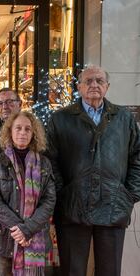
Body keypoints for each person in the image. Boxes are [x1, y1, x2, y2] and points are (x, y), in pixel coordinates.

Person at [46, 65, 140, 276]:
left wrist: (128, 194)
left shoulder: (123, 118)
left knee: (110, 271)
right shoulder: (60, 119)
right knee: (72, 270)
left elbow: (137, 157)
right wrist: (64, 193)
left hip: (113, 206)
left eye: (99, 80)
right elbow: (49, 160)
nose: (94, 85)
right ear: (79, 86)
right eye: (88, 81)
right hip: (72, 207)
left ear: (107, 86)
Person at [0, 111, 56, 276]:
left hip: (34, 235)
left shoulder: (44, 163)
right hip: (4, 237)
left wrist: (28, 229)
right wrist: (20, 230)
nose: (22, 132)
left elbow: (49, 200)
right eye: (18, 128)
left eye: (27, 129)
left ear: (33, 133)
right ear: (9, 131)